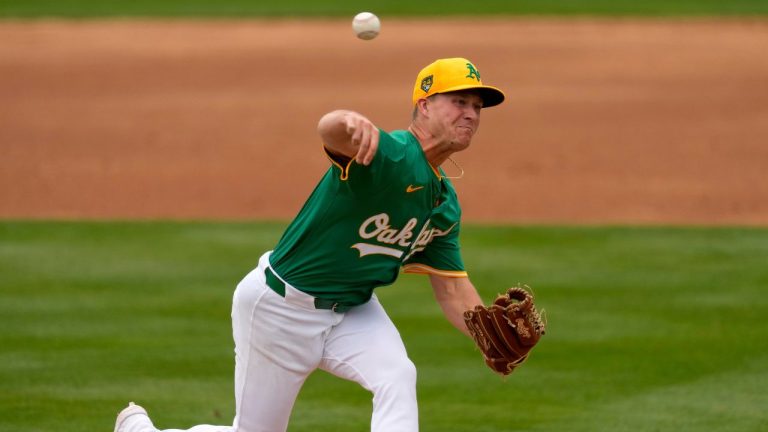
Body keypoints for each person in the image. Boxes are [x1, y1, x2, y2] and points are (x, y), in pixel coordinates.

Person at [113, 57, 505, 432]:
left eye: (476, 106)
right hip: (280, 308)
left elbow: (453, 288)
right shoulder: (391, 153)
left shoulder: (444, 204)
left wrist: (489, 338)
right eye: (458, 102)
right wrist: (345, 119)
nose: (470, 113)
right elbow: (330, 131)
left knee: (397, 376)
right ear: (424, 104)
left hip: (353, 310)